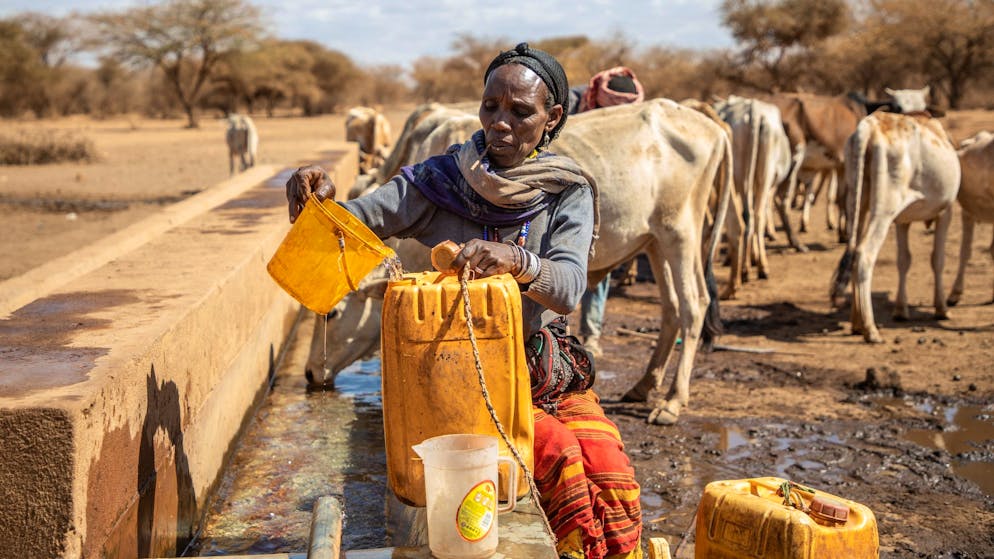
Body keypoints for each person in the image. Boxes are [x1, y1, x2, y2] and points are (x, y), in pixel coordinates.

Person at [285, 43, 642, 559]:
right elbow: (356, 223)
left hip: (540, 370)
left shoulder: (566, 190)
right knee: (560, 454)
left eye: (520, 112)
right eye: (490, 107)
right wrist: (319, 202)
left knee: (609, 465)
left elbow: (566, 289)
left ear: (552, 118)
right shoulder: (439, 182)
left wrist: (516, 259)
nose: (500, 124)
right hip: (460, 379)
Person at [571, 67, 645, 358]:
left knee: (598, 259)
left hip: (606, 193)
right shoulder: (573, 104)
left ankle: (591, 335)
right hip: (568, 190)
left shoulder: (630, 117)